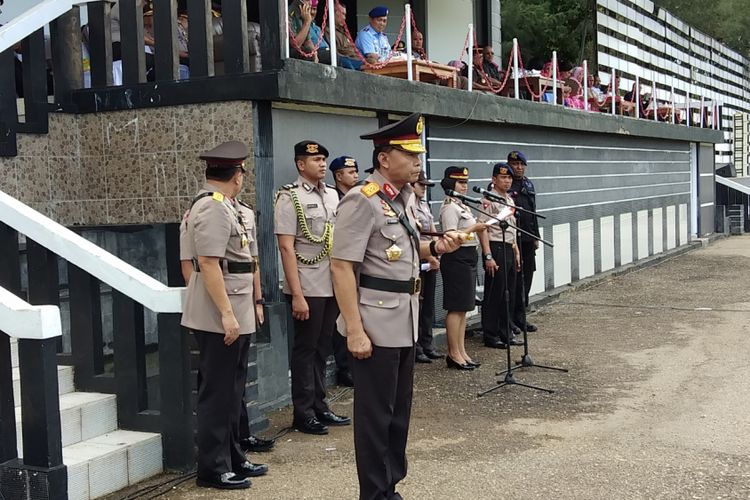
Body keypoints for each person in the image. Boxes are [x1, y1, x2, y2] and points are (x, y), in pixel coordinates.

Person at [330, 113, 465, 500]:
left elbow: (396, 253)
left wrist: (436, 246)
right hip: (374, 321)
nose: (419, 161)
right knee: (375, 417)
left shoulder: (399, 198)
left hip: (403, 318)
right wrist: (354, 330)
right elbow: (342, 267)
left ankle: (390, 486)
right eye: (411, 154)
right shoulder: (363, 200)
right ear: (385, 159)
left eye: (419, 154)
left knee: (397, 414)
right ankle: (374, 493)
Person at [180, 141, 268, 490]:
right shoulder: (213, 208)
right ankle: (213, 467)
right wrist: (227, 315)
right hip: (222, 313)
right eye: (242, 171)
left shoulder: (226, 206)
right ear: (237, 175)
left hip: (237, 307)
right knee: (218, 393)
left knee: (232, 390)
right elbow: (209, 264)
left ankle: (232, 456)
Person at [179, 206, 275, 456]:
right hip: (218, 309)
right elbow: (194, 266)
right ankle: (217, 461)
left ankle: (236, 447)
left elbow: (251, 262)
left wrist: (257, 300)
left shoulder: (240, 212)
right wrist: (209, 304)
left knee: (236, 384)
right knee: (219, 390)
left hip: (241, 303)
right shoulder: (203, 212)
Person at [274, 140, 350, 435]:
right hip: (307, 285)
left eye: (323, 159)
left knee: (323, 347)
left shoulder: (332, 195)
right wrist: (297, 295)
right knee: (305, 350)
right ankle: (303, 412)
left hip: (331, 283)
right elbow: (286, 247)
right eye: (316, 159)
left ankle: (320, 405)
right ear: (300, 164)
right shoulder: (288, 197)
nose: (321, 164)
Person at [439, 167, 487, 369]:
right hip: (456, 256)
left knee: (465, 308)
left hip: (468, 255)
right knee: (456, 307)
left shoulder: (462, 206)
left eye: (466, 183)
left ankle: (462, 351)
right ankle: (453, 353)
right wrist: (474, 228)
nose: (464, 187)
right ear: (451, 185)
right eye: (460, 183)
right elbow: (451, 236)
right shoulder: (450, 207)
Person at [478, 162, 523, 349]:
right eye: (503, 177)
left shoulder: (509, 200)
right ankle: (491, 334)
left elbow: (512, 229)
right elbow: (482, 229)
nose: (507, 181)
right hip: (495, 248)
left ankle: (506, 332)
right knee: (495, 293)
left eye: (509, 177)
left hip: (509, 248)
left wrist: (516, 250)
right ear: (494, 179)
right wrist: (488, 255)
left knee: (509, 292)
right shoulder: (488, 200)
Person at [327, 155, 361, 387]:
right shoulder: (332, 198)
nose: (355, 176)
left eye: (356, 171)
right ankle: (344, 367)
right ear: (339, 176)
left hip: (357, 266)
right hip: (335, 265)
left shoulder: (359, 198)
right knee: (340, 318)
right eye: (350, 172)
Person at [507, 151, 540, 334]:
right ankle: (510, 319)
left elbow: (533, 212)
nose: (518, 167)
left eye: (521, 164)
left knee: (527, 279)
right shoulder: (505, 185)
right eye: (515, 164)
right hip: (513, 240)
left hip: (527, 239)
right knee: (513, 283)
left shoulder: (528, 184)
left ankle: (521, 317)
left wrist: (535, 236)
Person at [412, 171, 443, 364]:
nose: (424, 188)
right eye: (421, 185)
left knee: (428, 304)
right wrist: (431, 256)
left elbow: (432, 230)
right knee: (418, 304)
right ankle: (416, 348)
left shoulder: (423, 204)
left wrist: (436, 254)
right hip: (418, 258)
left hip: (431, 258)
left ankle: (427, 343)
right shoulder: (408, 205)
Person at [289, 0, 331, 64]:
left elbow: (308, 41)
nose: (310, 3)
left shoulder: (303, 14)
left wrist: (315, 54)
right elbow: (295, 45)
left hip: (301, 52)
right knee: (308, 51)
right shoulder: (290, 13)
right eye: (308, 0)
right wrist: (307, 22)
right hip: (289, 54)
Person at [328, 2, 363, 70]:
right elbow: (336, 55)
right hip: (348, 64)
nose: (344, 18)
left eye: (345, 15)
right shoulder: (329, 32)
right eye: (342, 14)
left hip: (358, 60)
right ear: (334, 13)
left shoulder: (344, 31)